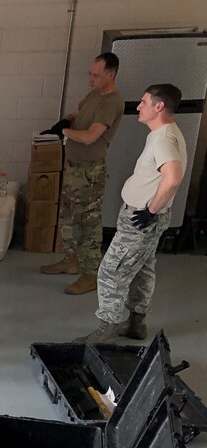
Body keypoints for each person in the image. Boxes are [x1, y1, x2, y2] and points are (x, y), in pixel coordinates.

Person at [75, 84, 187, 345]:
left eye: (144, 102)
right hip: (147, 217)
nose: (139, 106)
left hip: (142, 219)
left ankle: (107, 328)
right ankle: (136, 324)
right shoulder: (162, 133)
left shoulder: (164, 138)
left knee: (110, 272)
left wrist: (150, 210)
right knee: (142, 270)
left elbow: (173, 179)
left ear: (159, 106)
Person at [39, 53, 124, 296]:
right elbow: (76, 114)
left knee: (88, 224)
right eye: (90, 73)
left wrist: (63, 131)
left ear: (111, 74)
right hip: (74, 167)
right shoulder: (94, 95)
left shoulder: (112, 102)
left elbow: (89, 137)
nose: (91, 78)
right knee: (69, 218)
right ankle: (71, 260)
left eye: (96, 75)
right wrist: (64, 121)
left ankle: (90, 275)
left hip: (90, 172)